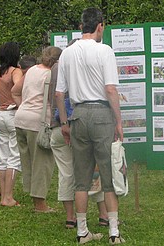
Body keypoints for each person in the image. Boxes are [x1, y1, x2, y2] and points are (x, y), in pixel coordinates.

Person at [56, 7, 124, 244]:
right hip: (101, 114)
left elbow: (58, 93)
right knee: (109, 175)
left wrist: (64, 122)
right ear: (100, 26)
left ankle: (82, 230)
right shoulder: (105, 50)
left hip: (78, 114)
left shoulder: (67, 53)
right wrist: (118, 121)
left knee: (81, 179)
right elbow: (110, 89)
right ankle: (113, 232)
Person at [49, 56, 109, 229]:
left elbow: (55, 96)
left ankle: (70, 218)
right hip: (77, 123)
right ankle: (103, 214)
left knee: (66, 173)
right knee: (94, 169)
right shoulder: (84, 69)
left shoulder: (55, 68)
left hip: (57, 127)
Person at [12, 46, 61, 212]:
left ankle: (35, 198)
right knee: (42, 163)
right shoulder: (51, 74)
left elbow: (15, 91)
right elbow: (54, 99)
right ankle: (40, 205)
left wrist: (24, 107)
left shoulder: (32, 70)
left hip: (21, 119)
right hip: (39, 123)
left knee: (28, 162)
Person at [0, 42, 24, 207]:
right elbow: (18, 87)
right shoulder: (15, 71)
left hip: (1, 114)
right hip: (13, 113)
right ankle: (8, 197)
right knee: (14, 156)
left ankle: (3, 195)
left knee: (3, 156)